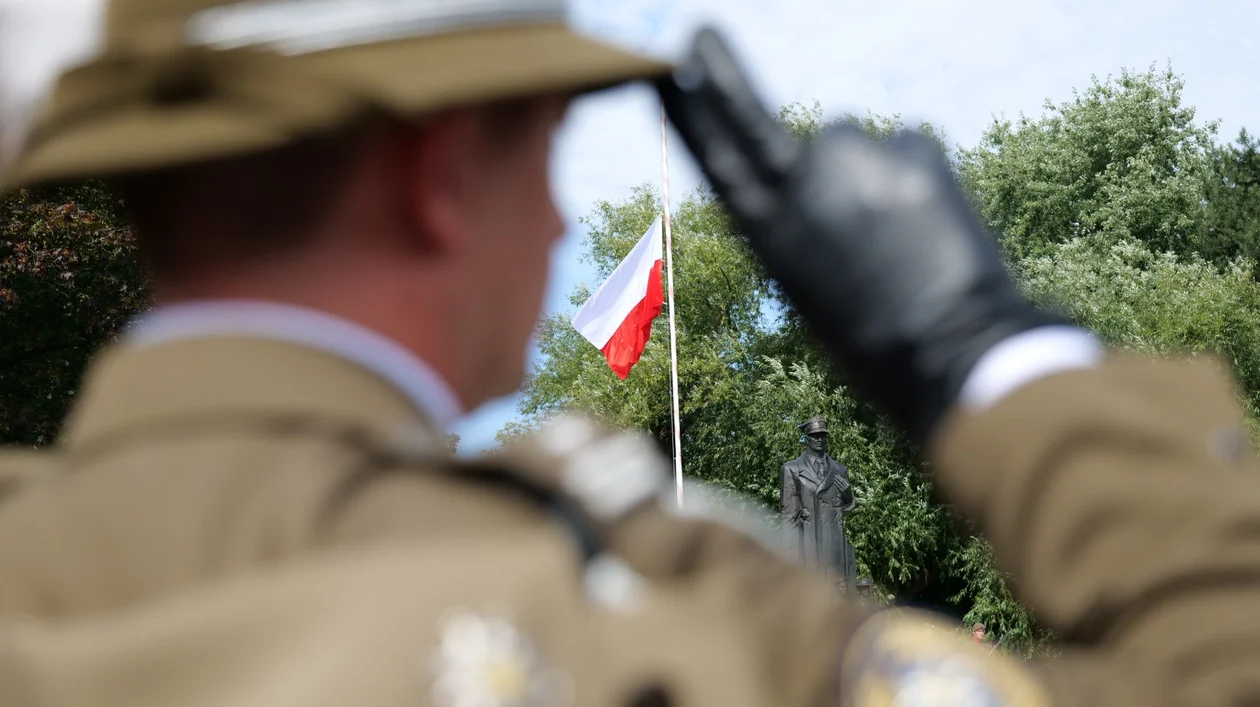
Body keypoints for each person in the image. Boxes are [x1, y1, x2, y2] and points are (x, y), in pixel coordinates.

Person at [1, 3, 1258, 707]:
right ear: (439, 173)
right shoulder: (645, 602)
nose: (555, 220)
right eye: (543, 150)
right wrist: (989, 353)